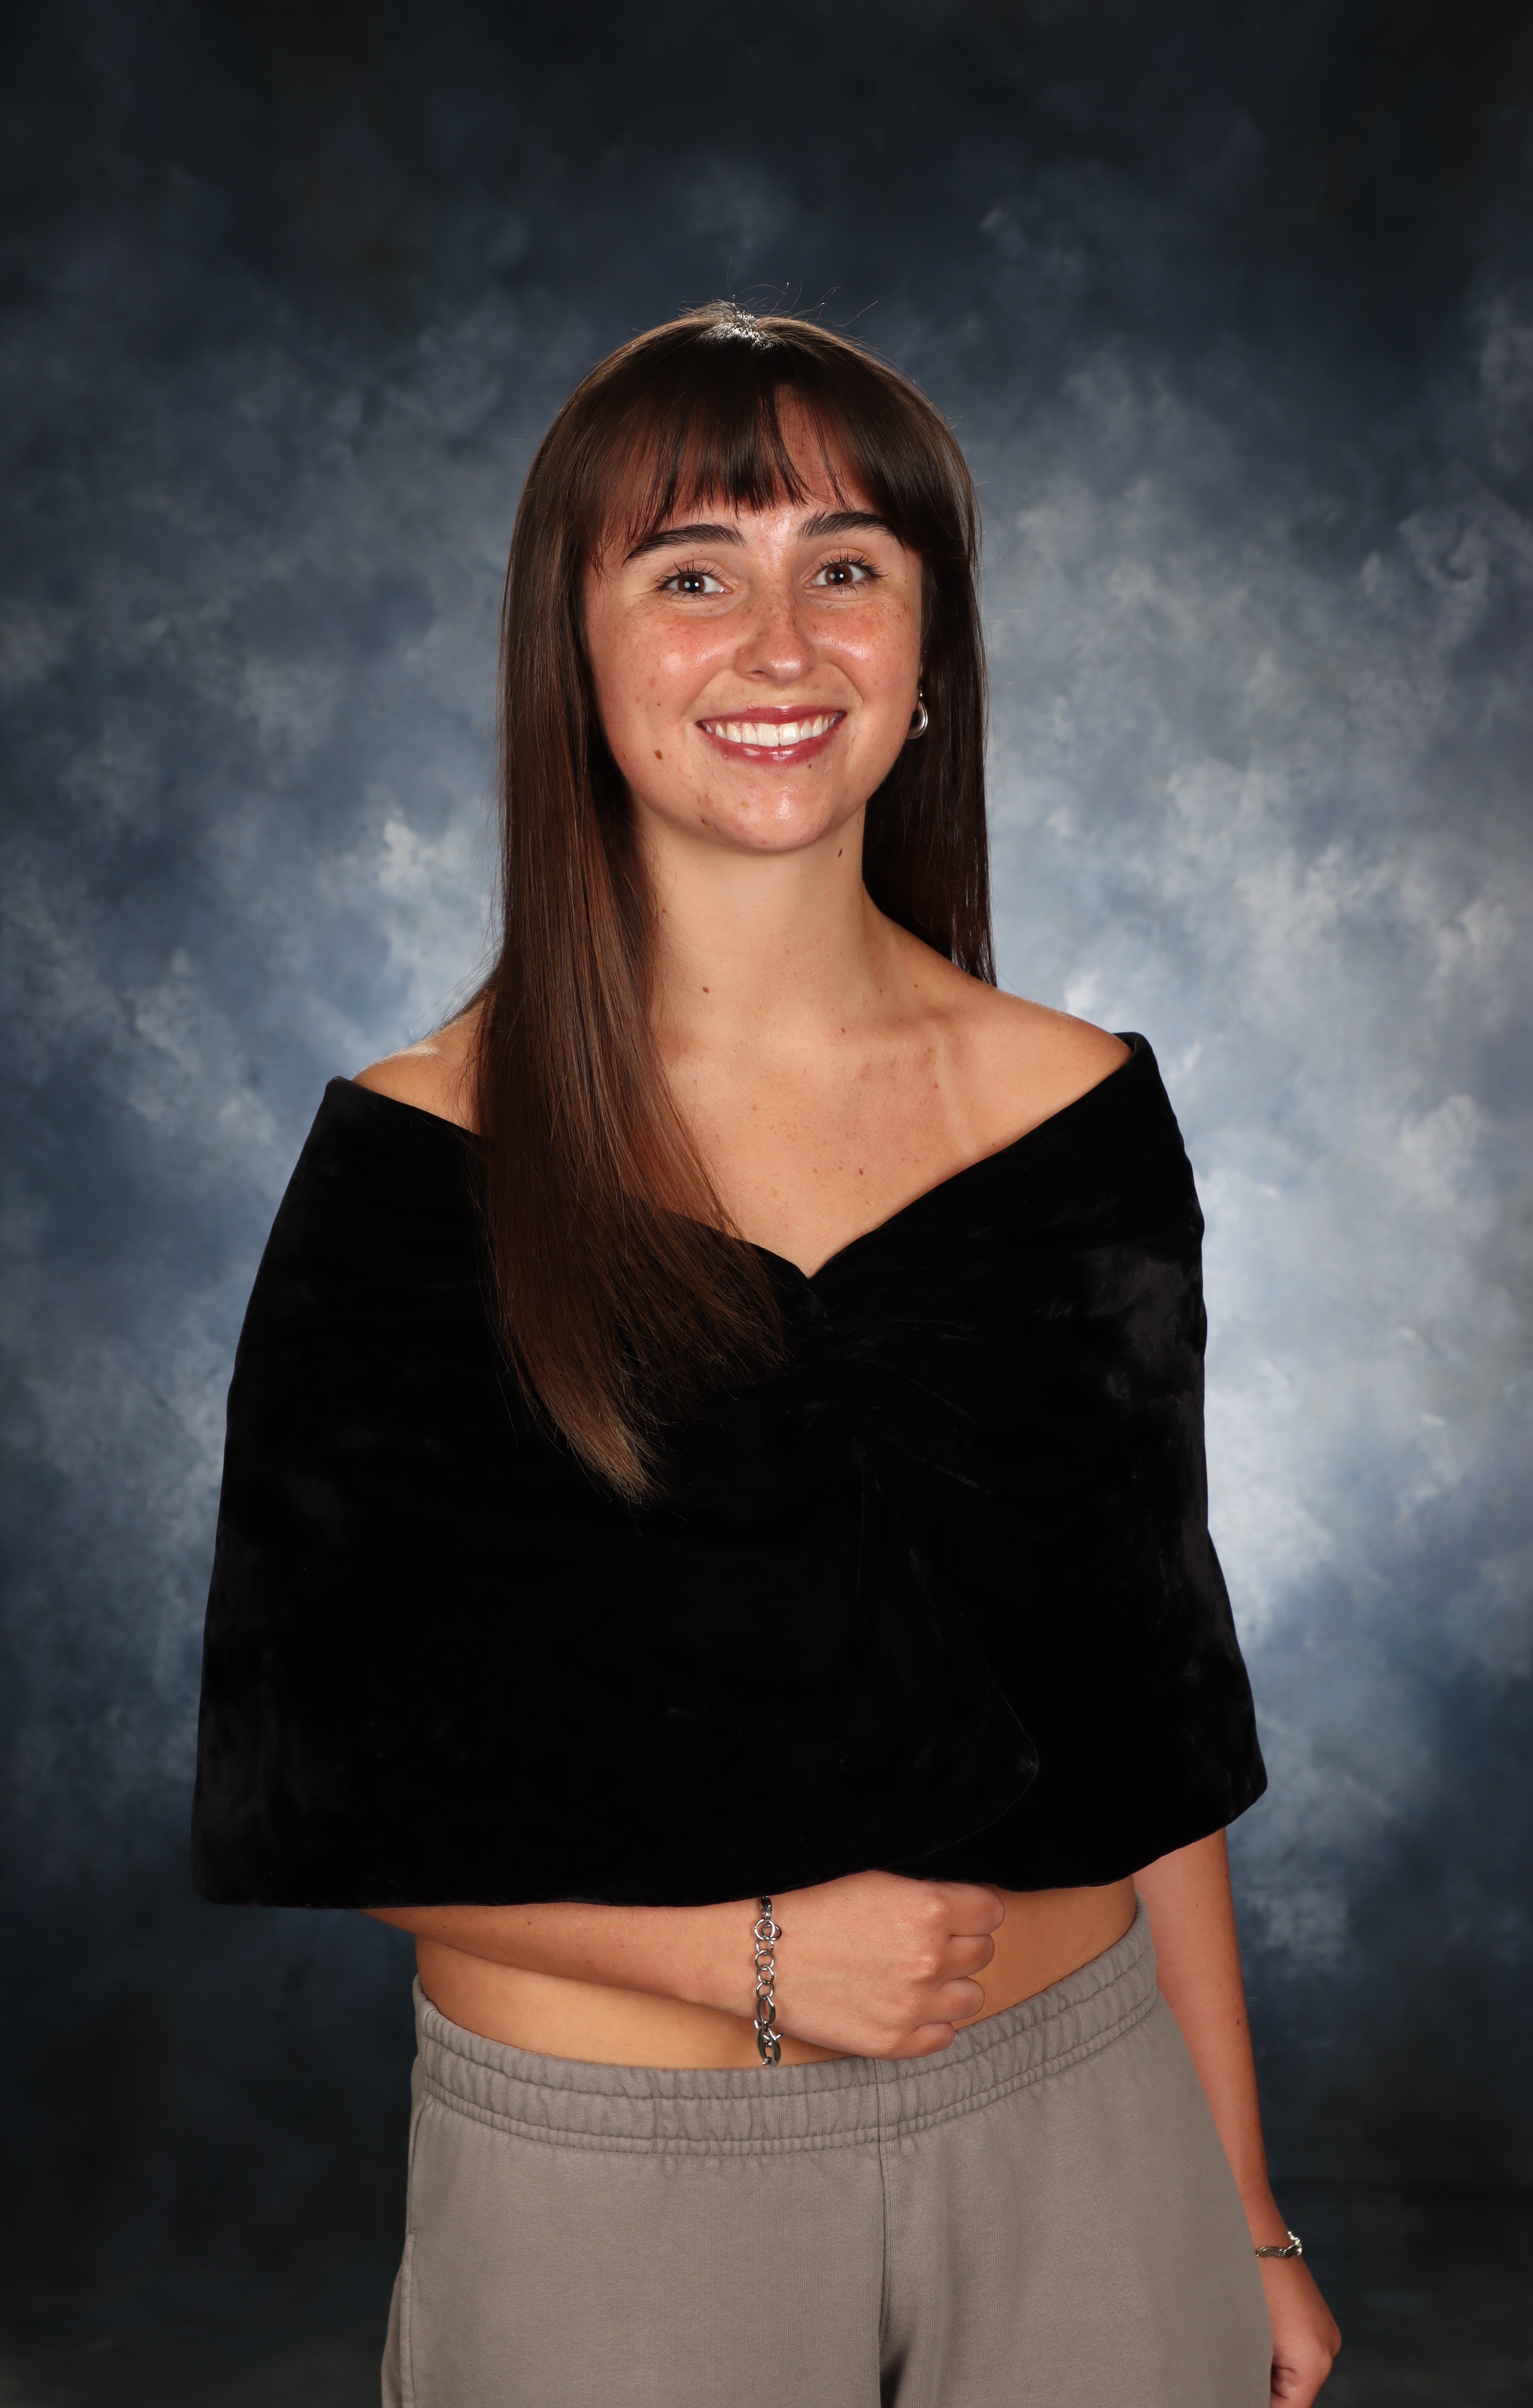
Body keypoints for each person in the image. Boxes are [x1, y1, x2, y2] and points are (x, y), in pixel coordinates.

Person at [192, 305, 1342, 2405]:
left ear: (928, 649)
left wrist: (1241, 2207)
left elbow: (1147, 1713)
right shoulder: (416, 1161)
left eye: (847, 567)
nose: (781, 642)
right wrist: (749, 1960)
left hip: (1087, 2147)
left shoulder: (1082, 1113)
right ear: (576, 651)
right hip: (616, 2194)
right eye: (692, 574)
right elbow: (317, 1784)